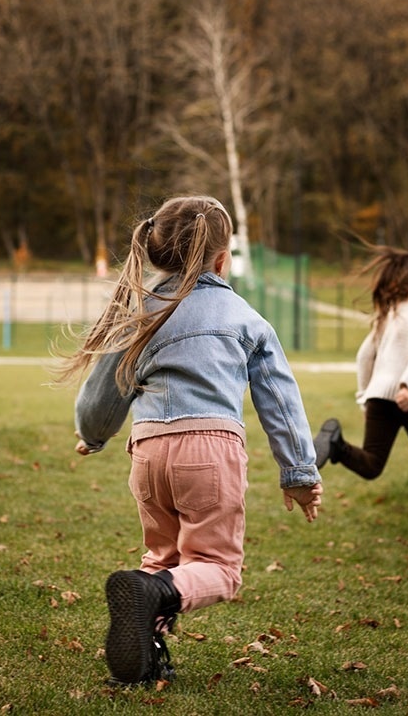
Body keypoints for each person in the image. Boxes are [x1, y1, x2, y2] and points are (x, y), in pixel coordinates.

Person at [57, 195, 324, 687]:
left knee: (162, 564)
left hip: (148, 452)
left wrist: (92, 436)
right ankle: (151, 601)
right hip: (210, 450)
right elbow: (280, 401)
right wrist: (300, 474)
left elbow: (104, 388)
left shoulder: (142, 311)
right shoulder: (243, 316)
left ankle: (143, 660)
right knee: (219, 568)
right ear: (222, 259)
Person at [313, 241, 408, 554]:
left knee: (372, 465)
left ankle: (337, 445)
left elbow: (364, 355)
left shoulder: (394, 308)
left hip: (379, 396)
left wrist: (364, 396)